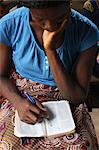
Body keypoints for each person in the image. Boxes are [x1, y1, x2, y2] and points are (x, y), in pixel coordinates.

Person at [0, 0, 99, 149]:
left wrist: (50, 50)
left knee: (79, 146)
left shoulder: (87, 31)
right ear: (28, 9)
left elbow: (77, 96)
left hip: (67, 94)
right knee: (7, 145)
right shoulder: (9, 25)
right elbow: (1, 76)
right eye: (40, 20)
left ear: (69, 5)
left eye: (59, 19)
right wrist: (19, 103)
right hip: (21, 94)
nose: (51, 27)